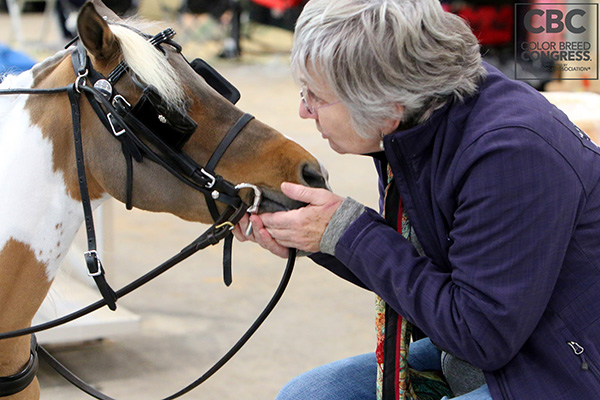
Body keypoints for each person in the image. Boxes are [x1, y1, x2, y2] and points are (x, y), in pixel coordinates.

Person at [232, 0, 600, 399]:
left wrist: (350, 234)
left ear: (386, 105)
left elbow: (481, 337)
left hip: (563, 361)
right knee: (307, 394)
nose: (304, 110)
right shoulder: (419, 120)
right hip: (494, 341)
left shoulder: (511, 151)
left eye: (316, 96)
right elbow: (422, 273)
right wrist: (316, 235)